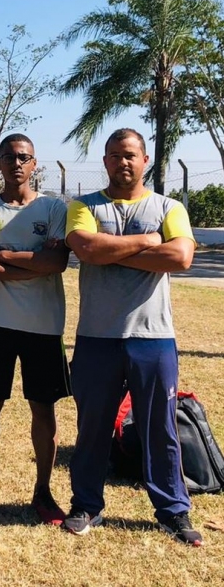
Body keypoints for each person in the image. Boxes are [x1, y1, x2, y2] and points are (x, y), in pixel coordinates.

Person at [64, 128, 200, 546]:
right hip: (96, 337)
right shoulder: (83, 206)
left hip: (153, 337)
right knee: (92, 428)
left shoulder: (169, 207)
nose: (122, 162)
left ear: (145, 161)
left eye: (129, 155)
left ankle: (173, 510)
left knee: (160, 428)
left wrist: (111, 251)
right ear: (104, 161)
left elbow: (180, 256)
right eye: (114, 155)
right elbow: (86, 250)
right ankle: (86, 505)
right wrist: (147, 242)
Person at [0, 133, 71, 524]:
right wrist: (32, 265)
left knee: (43, 409)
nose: (16, 163)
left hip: (44, 326)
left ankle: (43, 491)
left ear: (34, 163)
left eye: (24, 157)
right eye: (9, 157)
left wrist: (5, 255)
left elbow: (56, 263)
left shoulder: (53, 208)